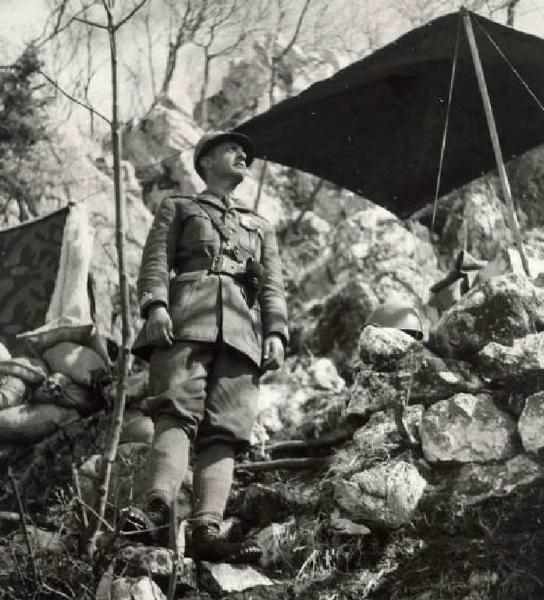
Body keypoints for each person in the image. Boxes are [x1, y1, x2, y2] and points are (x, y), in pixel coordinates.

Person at [132, 130, 289, 563]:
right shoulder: (179, 207)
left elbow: (273, 286)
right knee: (175, 410)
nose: (243, 155)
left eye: (246, 152)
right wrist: (156, 306)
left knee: (227, 429)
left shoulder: (260, 225)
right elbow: (155, 263)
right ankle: (156, 510)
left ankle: (206, 528)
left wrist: (276, 333)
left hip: (241, 333)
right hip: (185, 318)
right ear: (204, 162)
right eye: (232, 149)